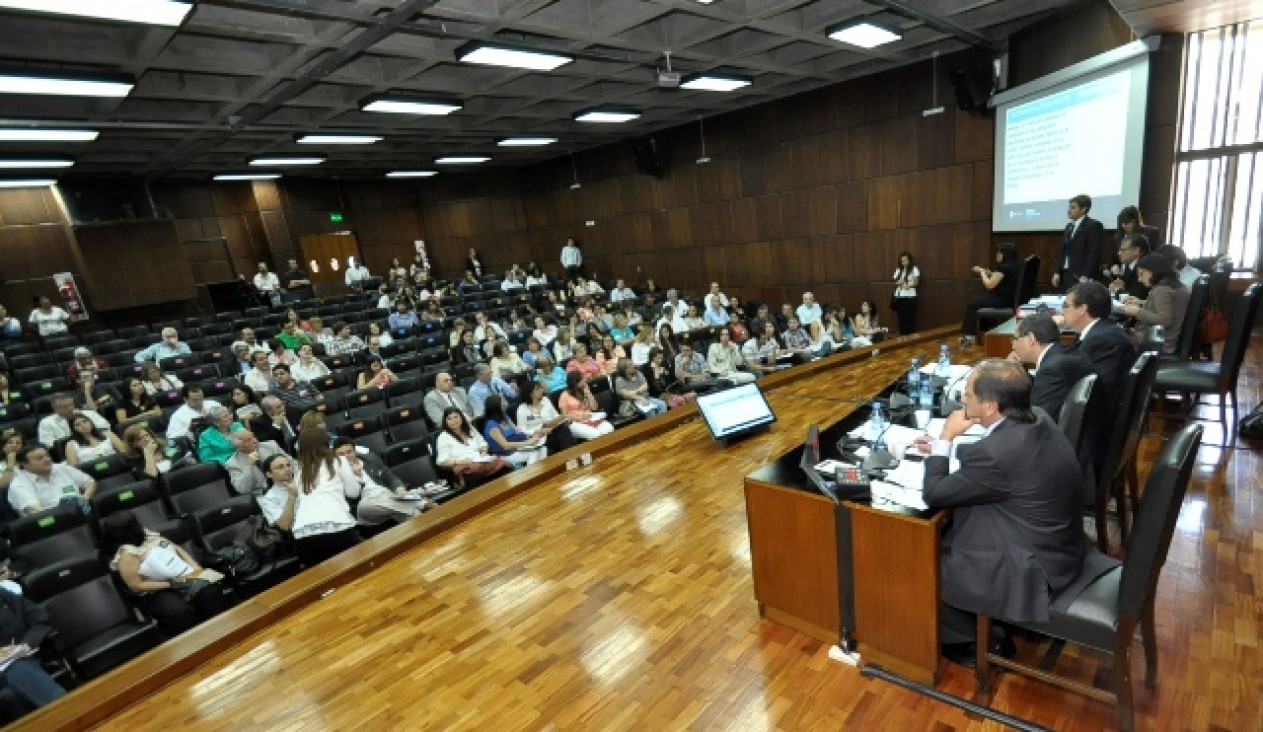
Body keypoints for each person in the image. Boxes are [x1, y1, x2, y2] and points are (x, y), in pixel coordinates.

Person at [912, 359, 1114, 666]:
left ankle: (978, 640)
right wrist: (952, 452)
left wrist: (945, 439)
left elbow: (934, 493)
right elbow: (1009, 461)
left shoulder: (995, 452)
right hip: (1060, 546)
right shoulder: (1039, 419)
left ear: (991, 406)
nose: (962, 399)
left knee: (925, 557)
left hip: (1031, 568)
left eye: (968, 393)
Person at [100, 510, 231, 637]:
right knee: (181, 612)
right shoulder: (126, 554)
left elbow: (176, 548)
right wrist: (171, 584)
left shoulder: (147, 535)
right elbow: (137, 585)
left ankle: (224, 634)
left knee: (210, 592)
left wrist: (194, 566)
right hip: (157, 591)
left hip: (182, 577)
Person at [258, 442, 362, 568]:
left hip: (327, 523)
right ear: (269, 474)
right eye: (280, 467)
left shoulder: (304, 479)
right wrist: (292, 496)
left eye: (288, 465)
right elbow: (284, 526)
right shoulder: (268, 498)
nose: (287, 469)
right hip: (300, 536)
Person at [1009, 314, 1094, 421]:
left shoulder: (1051, 370)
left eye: (1014, 339)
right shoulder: (1066, 353)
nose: (1013, 346)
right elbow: (1042, 388)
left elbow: (1039, 419)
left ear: (1031, 339)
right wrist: (1019, 372)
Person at [1059, 282, 1138, 398]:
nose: (1062, 311)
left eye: (1065, 306)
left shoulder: (1103, 341)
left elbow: (1093, 390)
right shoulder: (1104, 330)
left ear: (1082, 309)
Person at [332, 439, 435, 525]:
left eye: (349, 452)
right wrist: (357, 477)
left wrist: (400, 490)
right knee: (395, 504)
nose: (346, 456)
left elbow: (389, 477)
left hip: (386, 496)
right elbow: (350, 500)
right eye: (341, 454)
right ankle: (421, 502)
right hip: (365, 505)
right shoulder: (335, 473)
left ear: (355, 452)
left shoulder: (371, 459)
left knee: (412, 514)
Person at [0, 583, 67, 713]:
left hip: (24, 658)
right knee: (16, 668)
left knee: (14, 689)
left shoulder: (5, 596)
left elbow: (40, 618)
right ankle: (68, 710)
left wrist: (24, 645)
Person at [1122, 253, 1189, 354]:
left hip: (1158, 342)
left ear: (1153, 271)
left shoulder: (1162, 289)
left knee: (1112, 337)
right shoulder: (1176, 286)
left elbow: (1164, 319)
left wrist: (1137, 311)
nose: (1139, 279)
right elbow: (1168, 307)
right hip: (1165, 338)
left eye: (1142, 274)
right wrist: (1141, 302)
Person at [434, 407, 512, 488]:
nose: (453, 421)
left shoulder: (470, 428)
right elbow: (442, 461)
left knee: (504, 468)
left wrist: (483, 451)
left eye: (456, 417)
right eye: (449, 419)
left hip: (481, 461)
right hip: (465, 467)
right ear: (445, 422)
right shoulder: (443, 437)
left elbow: (482, 443)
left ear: (461, 417)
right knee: (475, 479)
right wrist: (459, 461)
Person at [8, 444, 97, 515]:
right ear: (24, 464)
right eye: (39, 458)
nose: (47, 459)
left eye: (47, 455)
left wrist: (84, 498)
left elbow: (90, 482)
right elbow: (35, 510)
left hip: (80, 513)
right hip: (49, 523)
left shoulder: (61, 468)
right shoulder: (19, 484)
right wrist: (66, 511)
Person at [960, 243, 1020, 346]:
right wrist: (990, 273)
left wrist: (981, 272)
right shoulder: (1015, 265)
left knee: (972, 304)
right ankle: (985, 332)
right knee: (981, 301)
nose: (997, 255)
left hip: (1002, 300)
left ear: (1005, 254)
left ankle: (970, 337)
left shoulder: (1003, 268)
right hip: (1011, 299)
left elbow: (989, 285)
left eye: (999, 253)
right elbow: (1002, 278)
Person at [1052, 193, 1105, 291]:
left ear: (1083, 209)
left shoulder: (1093, 225)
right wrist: (1057, 272)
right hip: (1065, 274)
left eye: (1073, 207)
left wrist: (1085, 275)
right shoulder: (1069, 227)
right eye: (1069, 207)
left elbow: (1094, 253)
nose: (1069, 210)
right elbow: (1062, 252)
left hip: (1081, 276)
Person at [481, 395, 547, 466]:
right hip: (506, 454)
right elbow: (505, 445)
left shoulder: (504, 416)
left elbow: (518, 431)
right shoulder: (492, 425)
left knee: (543, 448)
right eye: (502, 403)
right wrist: (528, 442)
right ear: (497, 408)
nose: (505, 404)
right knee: (533, 453)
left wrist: (534, 435)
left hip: (518, 446)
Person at [37, 393, 110, 448]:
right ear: (55, 409)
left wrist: (84, 419)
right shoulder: (46, 423)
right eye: (65, 407)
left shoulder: (89, 413)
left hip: (98, 445)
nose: (70, 408)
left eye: (71, 404)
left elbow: (106, 427)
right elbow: (47, 444)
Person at [557, 372, 613, 441]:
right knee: (595, 434)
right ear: (575, 383)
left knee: (609, 429)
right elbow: (564, 415)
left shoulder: (584, 389)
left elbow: (594, 407)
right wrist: (580, 417)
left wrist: (588, 393)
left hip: (590, 417)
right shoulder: (564, 395)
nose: (584, 380)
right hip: (574, 422)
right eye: (582, 379)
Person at [121, 425, 190, 480]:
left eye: (147, 435)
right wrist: (148, 453)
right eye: (140, 439)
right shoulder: (135, 460)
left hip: (185, 475)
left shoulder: (169, 445)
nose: (146, 439)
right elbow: (152, 477)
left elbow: (186, 457)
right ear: (133, 444)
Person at [1108, 233, 1152, 300]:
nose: (1118, 253)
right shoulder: (1128, 265)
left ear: (1136, 251)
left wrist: (1117, 290)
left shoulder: (1145, 267)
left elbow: (1138, 295)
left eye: (1123, 250)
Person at [891, 250, 920, 335]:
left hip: (910, 297)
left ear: (909, 260)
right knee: (901, 318)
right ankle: (902, 335)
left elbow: (916, 282)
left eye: (905, 260)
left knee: (910, 317)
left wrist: (909, 285)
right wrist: (898, 282)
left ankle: (910, 335)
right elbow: (894, 281)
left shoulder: (914, 269)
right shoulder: (898, 269)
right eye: (902, 260)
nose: (903, 262)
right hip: (900, 297)